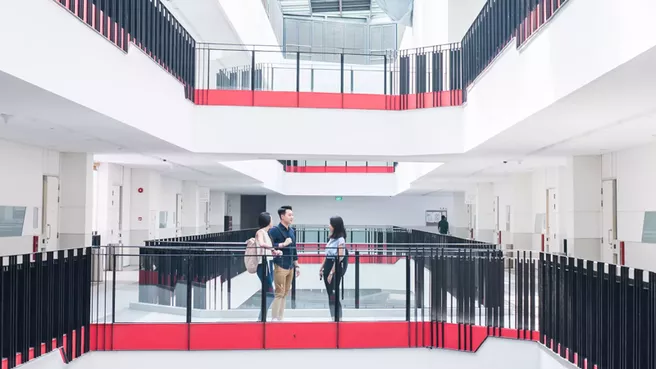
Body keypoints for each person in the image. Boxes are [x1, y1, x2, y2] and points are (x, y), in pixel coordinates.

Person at [268, 206, 300, 321]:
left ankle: (280, 318)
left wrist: (297, 265)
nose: (292, 217)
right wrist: (283, 243)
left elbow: (294, 249)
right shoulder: (274, 230)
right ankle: (274, 318)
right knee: (279, 293)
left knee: (285, 293)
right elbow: (270, 246)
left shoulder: (291, 231)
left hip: (290, 265)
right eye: (289, 215)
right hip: (280, 265)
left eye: (292, 215)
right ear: (282, 216)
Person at [254, 212, 282, 321]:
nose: (273, 221)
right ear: (267, 221)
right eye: (271, 219)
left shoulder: (266, 233)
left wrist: (274, 251)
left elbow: (266, 248)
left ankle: (262, 318)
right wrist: (272, 248)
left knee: (269, 292)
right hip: (263, 265)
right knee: (270, 293)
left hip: (268, 264)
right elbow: (261, 244)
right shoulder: (260, 232)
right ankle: (261, 318)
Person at [319, 216, 347, 321]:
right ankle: (332, 316)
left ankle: (338, 316)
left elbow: (339, 257)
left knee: (334, 293)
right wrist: (321, 267)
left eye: (330, 224)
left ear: (335, 226)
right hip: (328, 265)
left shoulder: (341, 240)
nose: (328, 226)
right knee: (330, 293)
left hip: (335, 267)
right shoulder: (331, 238)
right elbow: (327, 255)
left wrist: (332, 272)